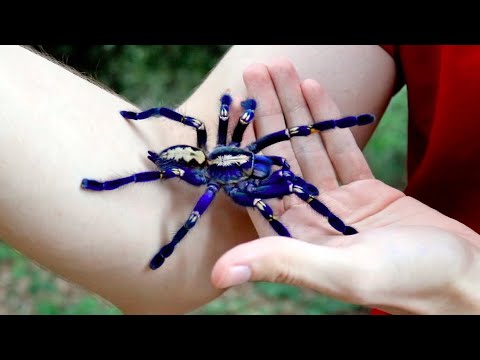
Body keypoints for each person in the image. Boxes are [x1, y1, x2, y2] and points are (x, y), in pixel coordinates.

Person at [0, 45, 478, 314]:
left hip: (213, 158)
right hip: (205, 161)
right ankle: (109, 185)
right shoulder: (227, 170)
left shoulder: (237, 156)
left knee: (280, 181)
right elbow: (188, 210)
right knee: (271, 190)